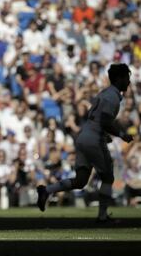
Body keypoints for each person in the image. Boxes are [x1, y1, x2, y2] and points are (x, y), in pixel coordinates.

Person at [37, 63, 133, 222]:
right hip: (94, 139)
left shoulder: (104, 93)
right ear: (119, 78)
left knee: (81, 180)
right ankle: (102, 216)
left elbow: (93, 116)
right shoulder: (112, 97)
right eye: (127, 78)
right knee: (108, 178)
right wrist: (122, 134)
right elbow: (105, 121)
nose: (129, 82)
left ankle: (47, 190)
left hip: (84, 136)